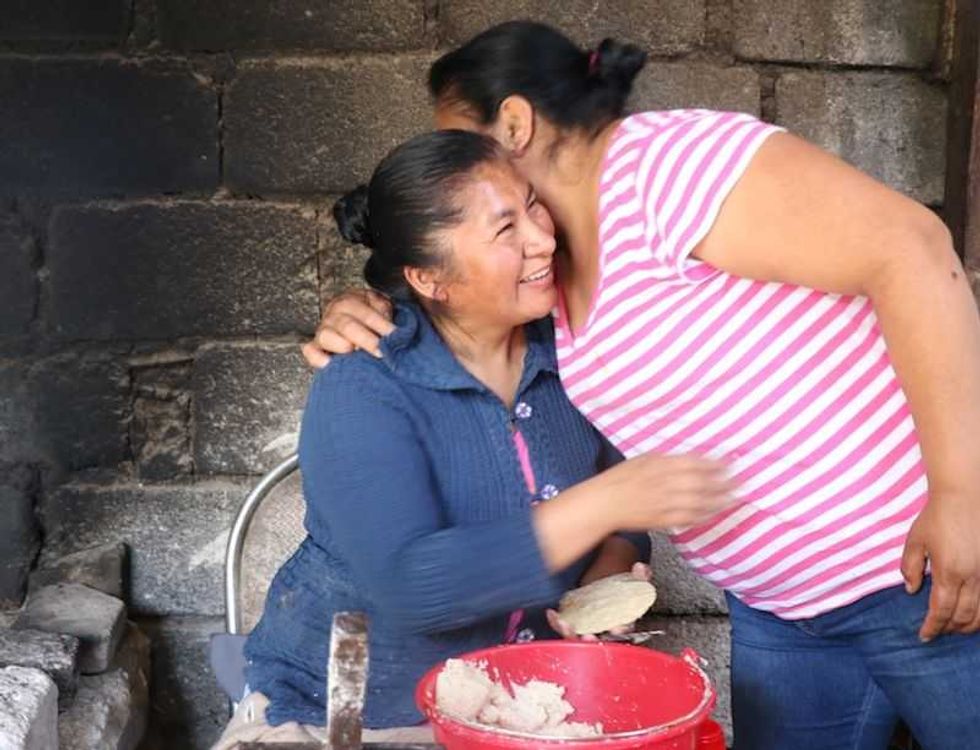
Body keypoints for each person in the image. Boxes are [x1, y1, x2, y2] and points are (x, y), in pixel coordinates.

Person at [305, 21, 980, 750]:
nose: (455, 168)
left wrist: (962, 495)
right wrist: (364, 305)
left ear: (515, 123)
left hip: (917, 568)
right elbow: (448, 274)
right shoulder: (551, 272)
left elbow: (910, 249)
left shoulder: (667, 166)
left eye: (462, 141)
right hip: (780, 612)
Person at [213, 129, 736, 749]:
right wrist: (610, 499)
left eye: (532, 205)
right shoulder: (365, 384)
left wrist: (603, 579)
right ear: (431, 279)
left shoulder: (573, 355)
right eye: (504, 229)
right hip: (351, 712)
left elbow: (623, 526)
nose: (543, 237)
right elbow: (415, 588)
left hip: (522, 706)